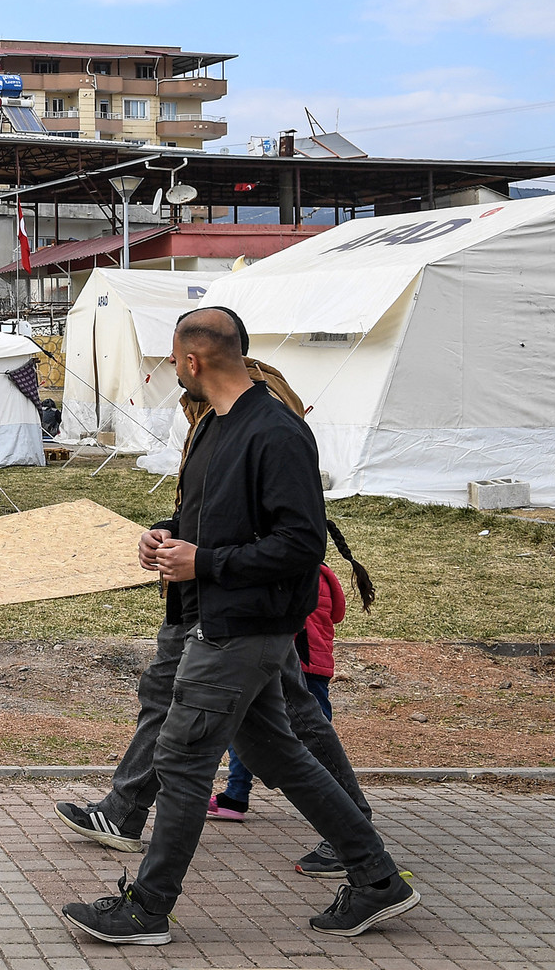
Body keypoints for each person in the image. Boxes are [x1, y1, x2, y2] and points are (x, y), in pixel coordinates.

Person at [59, 308, 417, 946]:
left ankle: (146, 908)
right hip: (211, 618)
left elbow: (301, 546)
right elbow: (213, 522)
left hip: (243, 629)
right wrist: (167, 542)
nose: (171, 367)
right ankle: (376, 877)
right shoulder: (216, 429)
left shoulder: (275, 434)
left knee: (183, 756)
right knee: (275, 750)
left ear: (194, 361)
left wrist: (206, 562)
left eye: (174, 358)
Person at [212, 558, 350, 821]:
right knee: (317, 733)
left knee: (250, 727)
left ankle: (237, 793)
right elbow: (338, 614)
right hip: (319, 665)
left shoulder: (289, 571)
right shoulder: (326, 575)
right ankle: (338, 798)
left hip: (292, 663)